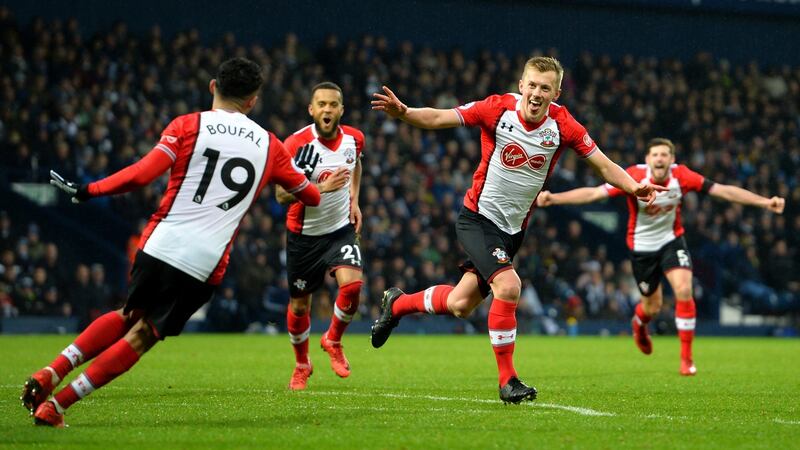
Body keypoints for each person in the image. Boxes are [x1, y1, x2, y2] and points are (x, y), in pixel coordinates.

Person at [21, 57, 333, 427]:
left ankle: (52, 371)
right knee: (141, 336)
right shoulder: (270, 145)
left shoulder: (188, 125)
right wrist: (318, 184)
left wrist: (90, 190)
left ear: (213, 87)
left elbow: (142, 174)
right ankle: (57, 406)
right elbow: (310, 197)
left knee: (127, 313)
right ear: (253, 101)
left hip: (159, 243)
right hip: (204, 262)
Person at [370, 56, 665, 403]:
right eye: (532, 85)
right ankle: (507, 381)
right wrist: (404, 112)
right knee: (509, 286)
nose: (537, 93)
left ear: (555, 93)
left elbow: (602, 163)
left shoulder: (563, 125)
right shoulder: (496, 109)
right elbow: (439, 117)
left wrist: (634, 187)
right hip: (477, 218)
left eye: (546, 88)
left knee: (461, 303)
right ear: (521, 84)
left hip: (512, 231)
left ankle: (398, 303)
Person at [537, 137, 785, 375]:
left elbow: (722, 191)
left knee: (684, 289)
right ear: (648, 159)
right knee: (652, 307)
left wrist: (764, 202)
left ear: (672, 160)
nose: (659, 159)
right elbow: (594, 194)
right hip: (642, 248)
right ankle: (639, 324)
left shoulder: (682, 176)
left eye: (664, 155)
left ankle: (686, 359)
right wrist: (554, 198)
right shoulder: (634, 176)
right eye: (655, 154)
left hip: (671, 241)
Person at [275, 82, 365, 390]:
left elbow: (356, 165)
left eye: (333, 104)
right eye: (322, 104)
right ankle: (302, 364)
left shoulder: (355, 139)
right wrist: (320, 189)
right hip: (304, 236)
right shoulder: (296, 145)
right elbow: (280, 195)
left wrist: (354, 201)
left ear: (342, 109)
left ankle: (333, 339)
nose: (327, 109)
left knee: (352, 286)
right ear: (311, 109)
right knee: (300, 307)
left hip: (339, 230)